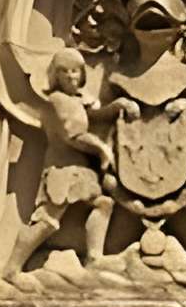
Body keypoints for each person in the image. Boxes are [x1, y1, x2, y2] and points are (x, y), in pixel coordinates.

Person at [7, 46, 118, 281]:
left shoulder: (75, 101)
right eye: (64, 72)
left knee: (103, 204)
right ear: (55, 76)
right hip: (64, 169)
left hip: (79, 170)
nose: (70, 76)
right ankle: (12, 268)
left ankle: (94, 258)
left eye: (75, 71)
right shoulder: (58, 100)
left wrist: (116, 108)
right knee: (47, 219)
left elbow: (91, 117)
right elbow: (73, 134)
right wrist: (103, 150)